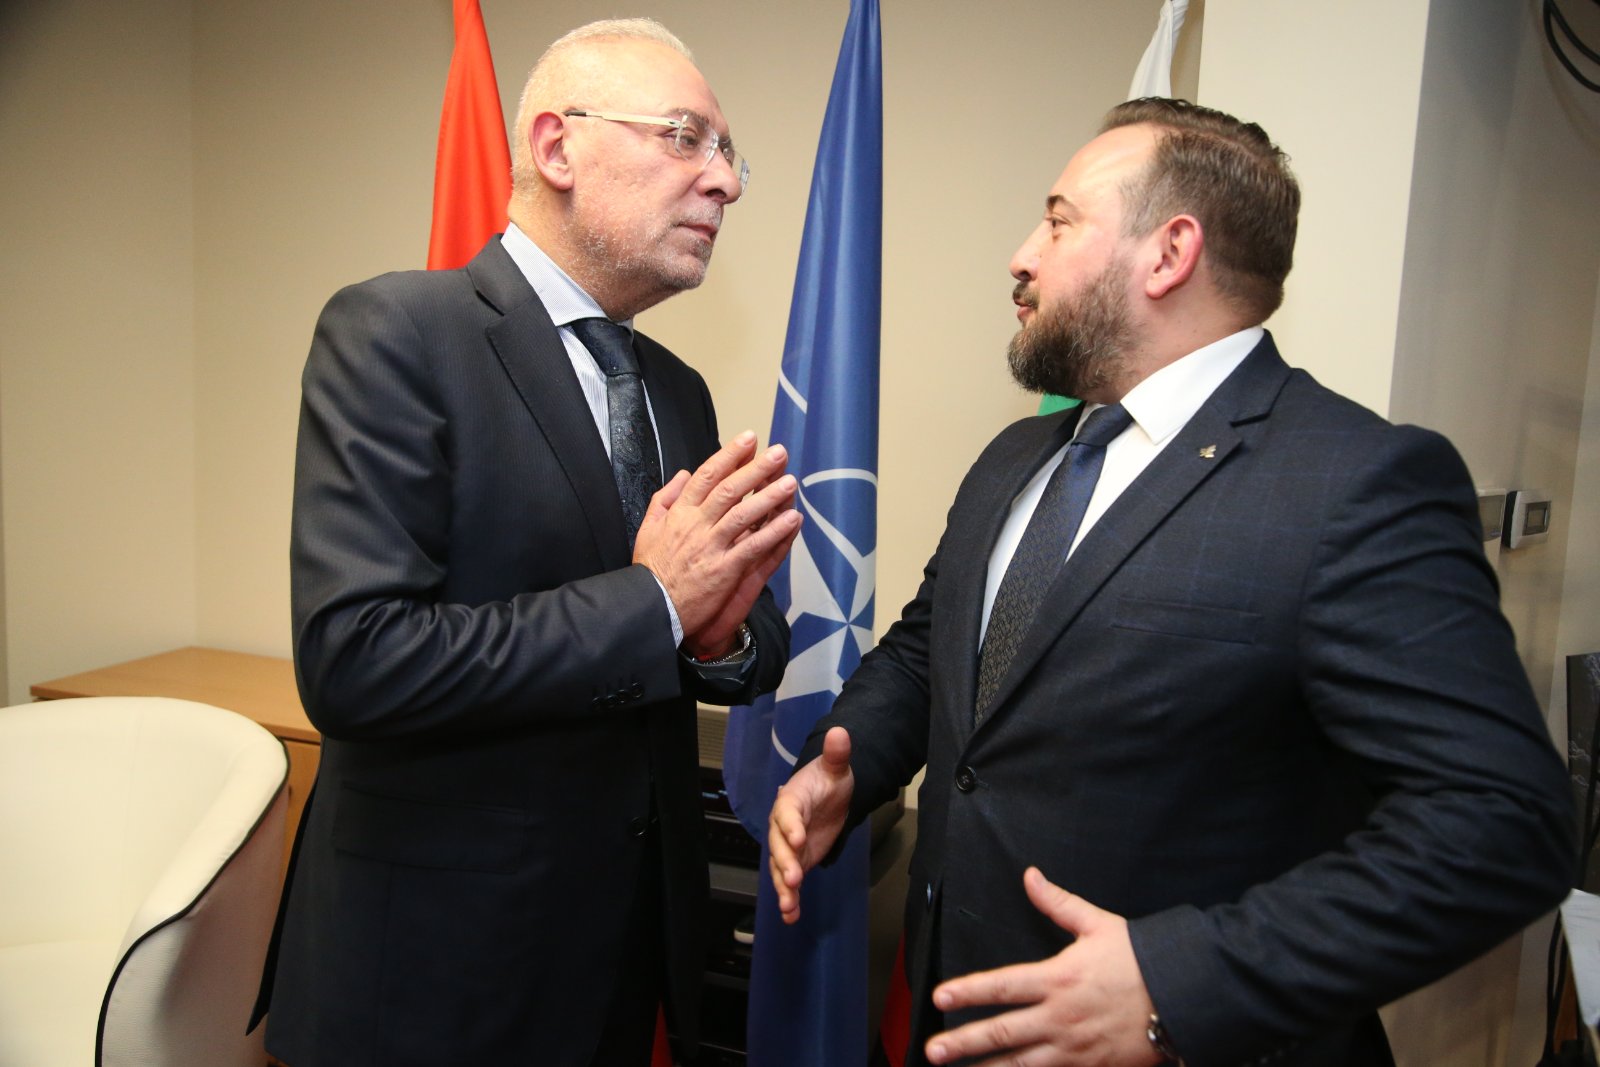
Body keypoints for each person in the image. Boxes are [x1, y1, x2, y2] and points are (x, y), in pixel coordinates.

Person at [768, 98, 1573, 1067]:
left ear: (1169, 253)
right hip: (958, 1016)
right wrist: (847, 762)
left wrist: (1181, 982)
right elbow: (928, 650)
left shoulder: (1355, 481)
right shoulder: (1016, 456)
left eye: (1058, 221)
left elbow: (1501, 823)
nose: (1021, 255)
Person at [250, 19, 800, 1067]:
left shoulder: (675, 390)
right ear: (557, 147)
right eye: (686, 138)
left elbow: (739, 638)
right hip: (435, 973)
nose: (725, 181)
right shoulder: (397, 333)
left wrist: (719, 633)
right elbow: (357, 660)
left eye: (730, 153)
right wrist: (656, 603)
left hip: (622, 958)